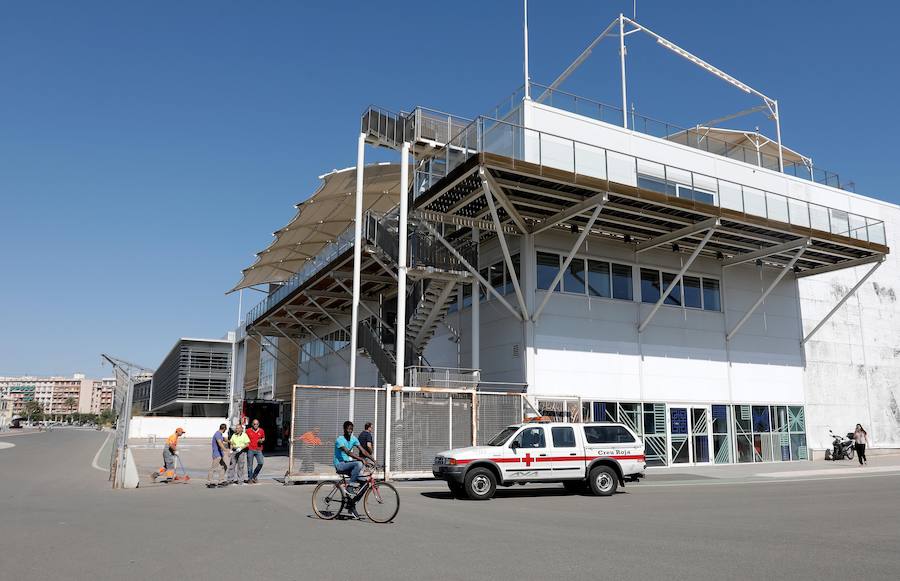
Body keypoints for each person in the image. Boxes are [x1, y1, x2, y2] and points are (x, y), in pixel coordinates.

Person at [333, 420, 374, 519]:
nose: (350, 431)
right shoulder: (340, 439)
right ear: (344, 429)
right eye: (348, 429)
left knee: (365, 483)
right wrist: (362, 459)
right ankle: (350, 486)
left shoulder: (354, 439)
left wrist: (373, 460)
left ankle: (351, 504)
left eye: (351, 429)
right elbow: (348, 453)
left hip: (348, 465)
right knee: (359, 463)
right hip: (340, 465)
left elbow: (363, 450)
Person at [207, 424, 229, 488]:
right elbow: (220, 443)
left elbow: (223, 439)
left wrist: (230, 441)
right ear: (224, 429)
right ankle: (209, 482)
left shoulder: (220, 434)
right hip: (217, 455)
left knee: (224, 466)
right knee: (213, 468)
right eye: (225, 429)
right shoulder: (217, 434)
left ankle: (221, 481)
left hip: (220, 454)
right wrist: (226, 450)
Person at [246, 418, 266, 484]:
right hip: (250, 449)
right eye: (254, 424)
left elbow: (263, 437)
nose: (255, 425)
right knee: (250, 465)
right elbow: (244, 438)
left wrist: (262, 440)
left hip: (259, 449)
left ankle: (254, 475)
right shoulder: (248, 431)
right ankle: (250, 478)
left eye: (257, 424)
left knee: (261, 463)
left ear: (258, 424)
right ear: (252, 424)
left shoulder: (261, 430)